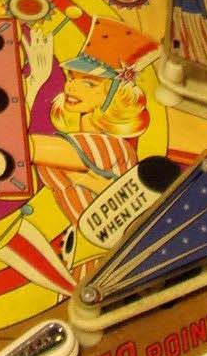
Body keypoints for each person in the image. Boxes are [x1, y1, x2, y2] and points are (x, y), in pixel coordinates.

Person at [27, 19, 159, 266]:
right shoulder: (84, 141)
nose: (71, 86)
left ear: (115, 96)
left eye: (88, 83)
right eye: (71, 77)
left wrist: (35, 82)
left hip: (112, 259)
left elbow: (21, 147)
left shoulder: (109, 147)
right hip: (89, 257)